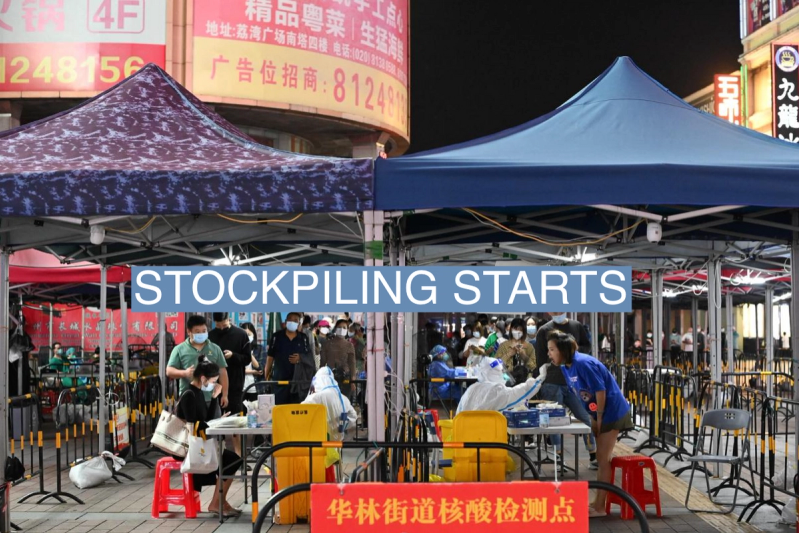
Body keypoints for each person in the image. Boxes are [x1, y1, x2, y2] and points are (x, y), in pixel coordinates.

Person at [547, 331, 633, 518]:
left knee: (602, 459)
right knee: (601, 459)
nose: (549, 354)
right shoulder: (566, 367)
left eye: (552, 350)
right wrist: (592, 417)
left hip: (612, 411)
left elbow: (600, 391)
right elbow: (583, 395)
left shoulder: (584, 363)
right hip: (599, 412)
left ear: (563, 350)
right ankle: (597, 501)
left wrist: (599, 418)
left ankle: (601, 507)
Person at [172, 358, 241, 518]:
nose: (214, 384)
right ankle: (217, 503)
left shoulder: (199, 393)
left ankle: (219, 501)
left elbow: (206, 419)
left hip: (200, 442)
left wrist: (215, 398)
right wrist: (215, 424)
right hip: (190, 447)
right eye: (213, 381)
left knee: (235, 460)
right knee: (232, 461)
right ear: (203, 378)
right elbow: (194, 425)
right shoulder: (189, 394)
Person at [535, 312, 597, 467]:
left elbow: (587, 345)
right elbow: (540, 358)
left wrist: (571, 354)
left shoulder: (576, 326)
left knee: (584, 416)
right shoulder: (544, 330)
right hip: (551, 382)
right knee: (554, 420)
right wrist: (541, 380)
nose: (557, 311)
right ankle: (558, 455)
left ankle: (593, 454)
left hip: (573, 381)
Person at [166, 315, 229, 408]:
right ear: (189, 332)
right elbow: (169, 371)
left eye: (204, 331)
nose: (201, 334)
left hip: (210, 399)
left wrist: (224, 395)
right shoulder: (179, 349)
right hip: (188, 399)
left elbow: (223, 372)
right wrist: (184, 373)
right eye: (197, 332)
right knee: (189, 422)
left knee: (212, 422)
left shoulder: (215, 348)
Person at [456, 357, 547, 414]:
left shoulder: (471, 389)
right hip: (487, 439)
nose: (503, 375)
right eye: (501, 372)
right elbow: (520, 392)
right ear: (494, 373)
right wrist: (540, 378)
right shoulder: (496, 390)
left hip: (465, 438)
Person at [265, 312, 315, 404]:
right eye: (290, 319)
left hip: (297, 383)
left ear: (299, 324)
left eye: (295, 320)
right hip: (279, 381)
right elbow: (270, 358)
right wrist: (266, 376)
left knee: (295, 411)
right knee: (280, 409)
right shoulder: (277, 337)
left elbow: (310, 357)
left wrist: (300, 358)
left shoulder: (303, 338)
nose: (292, 321)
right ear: (285, 322)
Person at [208, 313, 251, 418]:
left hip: (235, 383)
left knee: (234, 419)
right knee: (213, 419)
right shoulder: (210, 336)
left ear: (229, 320)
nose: (222, 328)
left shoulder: (241, 335)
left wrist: (233, 355)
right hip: (213, 384)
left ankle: (235, 435)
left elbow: (247, 359)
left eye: (224, 325)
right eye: (218, 326)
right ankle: (216, 435)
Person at [302, 367, 357, 442]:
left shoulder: (314, 398)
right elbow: (353, 416)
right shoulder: (343, 398)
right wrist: (341, 426)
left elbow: (301, 412)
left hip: (318, 442)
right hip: (336, 443)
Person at [320, 319, 357, 395]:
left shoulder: (349, 345)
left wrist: (353, 380)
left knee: (344, 403)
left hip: (346, 379)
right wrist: (320, 378)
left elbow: (352, 363)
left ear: (347, 330)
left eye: (344, 327)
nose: (341, 329)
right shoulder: (327, 344)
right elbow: (322, 363)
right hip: (330, 378)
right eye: (339, 327)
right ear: (335, 328)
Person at [496, 318, 535, 382]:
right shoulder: (503, 346)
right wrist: (508, 354)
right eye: (515, 329)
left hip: (524, 383)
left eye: (520, 330)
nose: (517, 332)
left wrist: (524, 356)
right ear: (511, 329)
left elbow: (534, 367)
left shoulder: (529, 347)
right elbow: (494, 365)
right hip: (506, 382)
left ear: (524, 331)